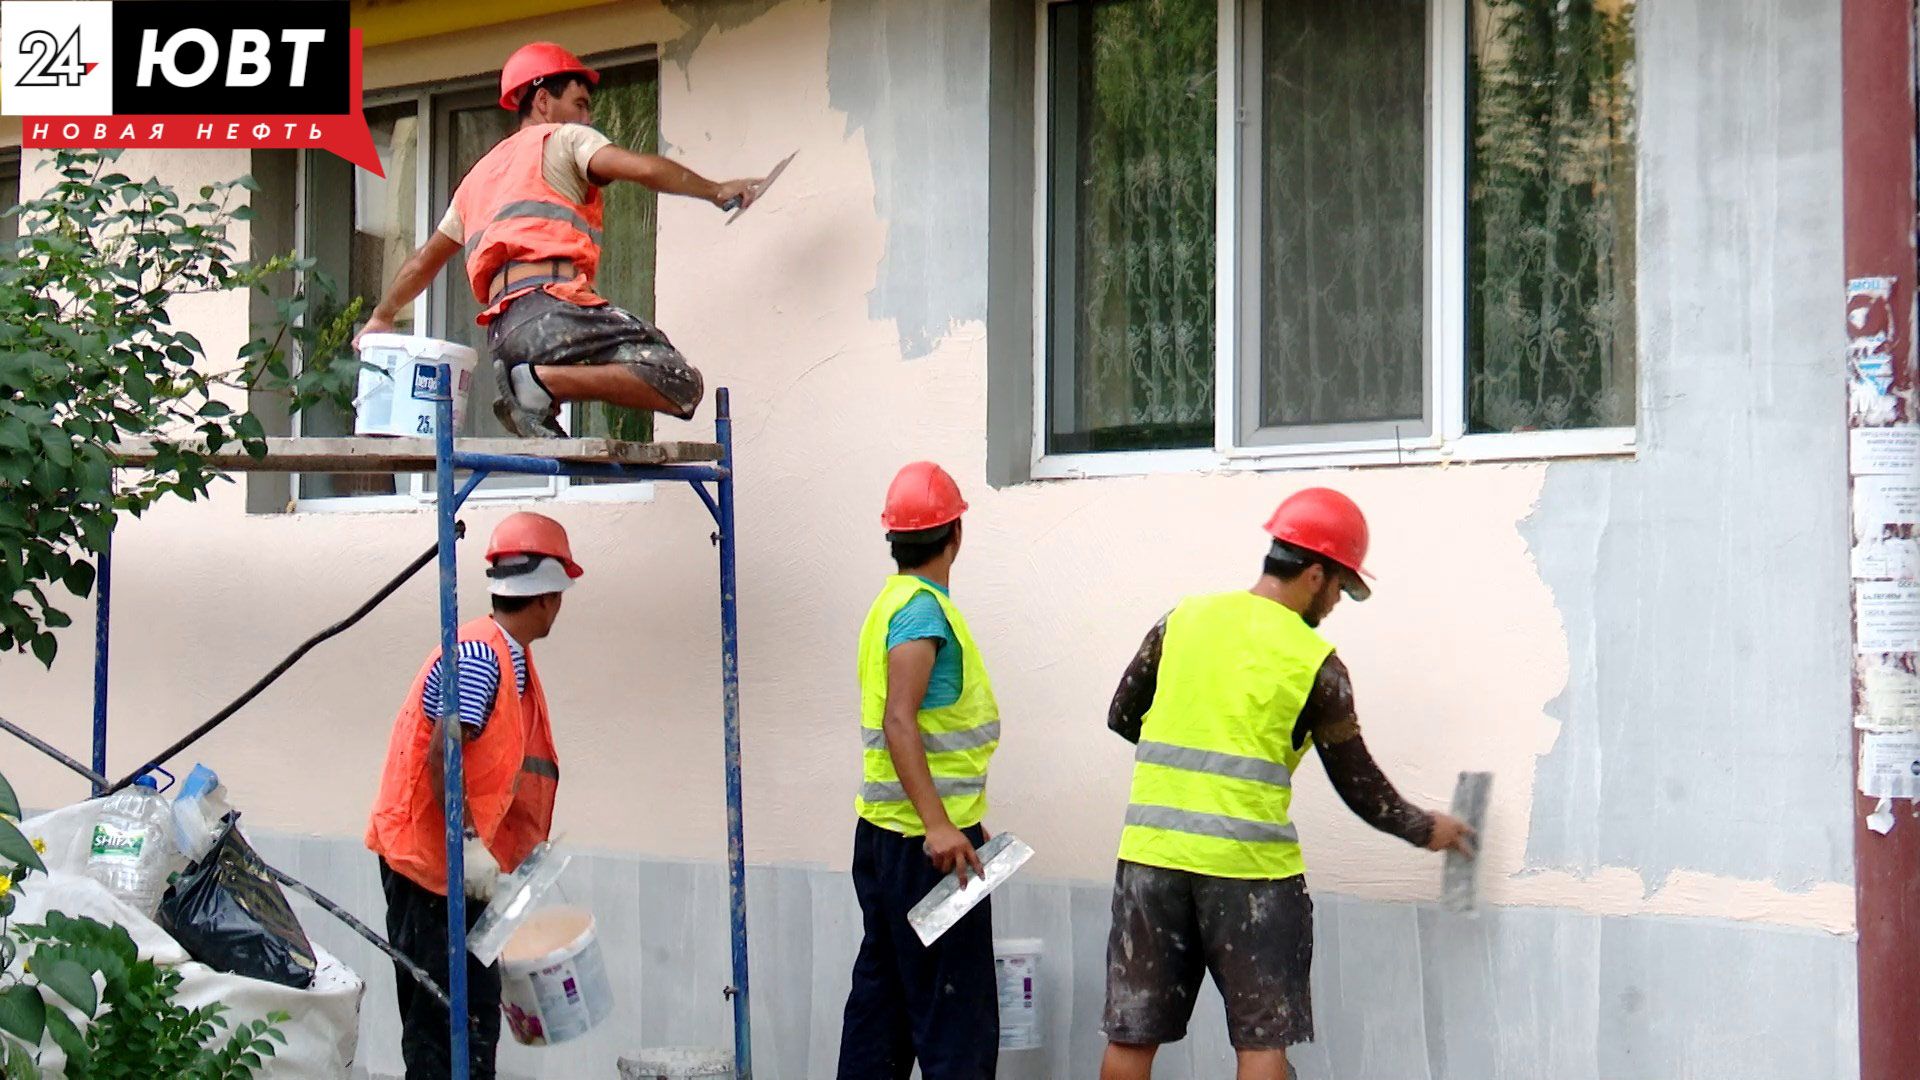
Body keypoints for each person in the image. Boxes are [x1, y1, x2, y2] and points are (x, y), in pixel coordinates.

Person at [1099, 488, 1477, 1080]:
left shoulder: (1183, 620)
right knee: (1261, 1045)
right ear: (1315, 575)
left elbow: (1123, 716)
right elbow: (1360, 787)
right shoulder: (1315, 663)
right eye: (1340, 587)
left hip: (1150, 863)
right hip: (1251, 874)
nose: (1337, 602)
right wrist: (1428, 829)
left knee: (1132, 1038)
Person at [355, 42, 764, 436]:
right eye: (579, 104)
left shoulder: (476, 177)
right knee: (677, 380)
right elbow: (641, 169)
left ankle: (534, 387)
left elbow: (423, 261)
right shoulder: (564, 138)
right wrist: (716, 190)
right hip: (552, 309)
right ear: (542, 101)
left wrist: (382, 316)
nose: (586, 117)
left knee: (570, 406)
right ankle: (540, 382)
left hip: (504, 332)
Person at [364, 512, 580, 1079]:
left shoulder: (506, 656)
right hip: (431, 869)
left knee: (472, 1020)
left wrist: (506, 859)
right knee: (444, 1031)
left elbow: (495, 769)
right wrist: (467, 843)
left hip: (460, 871)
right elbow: (444, 753)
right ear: (548, 598)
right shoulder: (482, 656)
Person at [838, 462, 1002, 1080]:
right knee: (955, 1022)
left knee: (882, 1011)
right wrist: (939, 825)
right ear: (956, 533)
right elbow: (899, 721)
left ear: (893, 538)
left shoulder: (892, 603)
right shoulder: (922, 614)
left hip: (892, 840)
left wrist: (957, 823)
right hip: (924, 855)